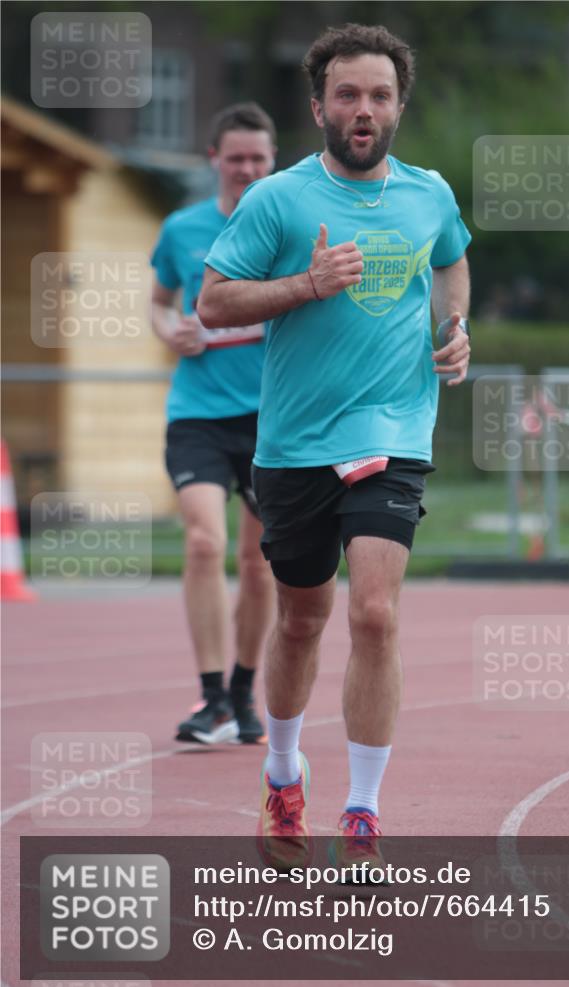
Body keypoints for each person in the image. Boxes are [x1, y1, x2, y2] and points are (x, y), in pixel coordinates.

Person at [198, 24, 471, 867]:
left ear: (398, 106)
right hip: (294, 444)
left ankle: (361, 808)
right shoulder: (278, 200)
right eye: (348, 95)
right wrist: (304, 286)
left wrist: (455, 326)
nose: (364, 110)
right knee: (302, 620)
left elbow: (452, 263)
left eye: (380, 96)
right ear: (318, 105)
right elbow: (213, 304)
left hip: (392, 428)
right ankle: (283, 776)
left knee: (375, 614)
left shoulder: (429, 194)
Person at [150, 103, 277, 746]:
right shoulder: (183, 229)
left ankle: (243, 692)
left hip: (270, 418)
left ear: (272, 161)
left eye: (258, 158)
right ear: (214, 161)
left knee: (258, 564)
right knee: (204, 543)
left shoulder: (288, 227)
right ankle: (210, 698)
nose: (247, 169)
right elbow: (159, 302)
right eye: (236, 159)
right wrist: (169, 332)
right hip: (197, 414)